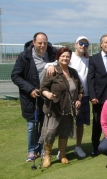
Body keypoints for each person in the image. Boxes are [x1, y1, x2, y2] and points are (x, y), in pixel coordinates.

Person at [11, 32, 56, 162]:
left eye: (45, 43)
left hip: (47, 97)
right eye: (40, 43)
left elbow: (67, 56)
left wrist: (86, 54)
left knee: (45, 125)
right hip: (30, 98)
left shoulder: (52, 53)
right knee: (32, 126)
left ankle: (42, 149)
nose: (43, 46)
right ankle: (32, 150)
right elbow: (15, 76)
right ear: (33, 42)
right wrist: (29, 89)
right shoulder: (24, 56)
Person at [39, 47, 84, 168]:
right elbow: (42, 88)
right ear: (58, 57)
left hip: (68, 109)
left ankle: (62, 154)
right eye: (63, 56)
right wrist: (47, 94)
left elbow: (80, 89)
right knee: (51, 132)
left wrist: (79, 99)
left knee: (64, 132)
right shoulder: (52, 71)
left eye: (68, 56)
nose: (65, 58)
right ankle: (47, 155)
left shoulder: (73, 72)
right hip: (54, 109)